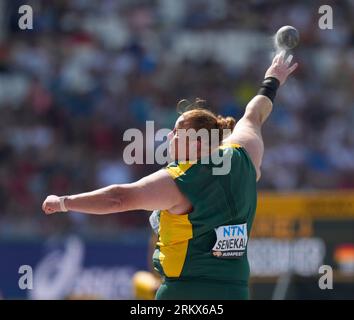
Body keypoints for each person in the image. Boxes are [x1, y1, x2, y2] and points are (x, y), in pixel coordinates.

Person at [42, 51, 298, 299]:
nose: (169, 136)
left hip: (185, 292)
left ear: (197, 142)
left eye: (177, 131)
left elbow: (118, 199)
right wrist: (272, 80)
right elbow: (254, 115)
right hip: (236, 291)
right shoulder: (244, 157)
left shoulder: (182, 179)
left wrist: (64, 202)